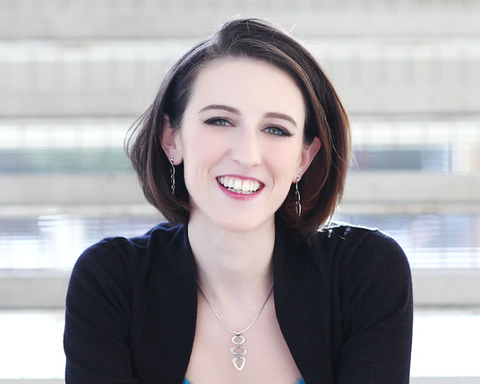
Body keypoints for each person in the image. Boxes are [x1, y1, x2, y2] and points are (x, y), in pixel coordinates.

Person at [64, 18, 413, 384]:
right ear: (172, 138)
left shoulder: (366, 272)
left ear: (303, 158)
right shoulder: (111, 282)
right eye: (219, 121)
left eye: (275, 129)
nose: (247, 155)